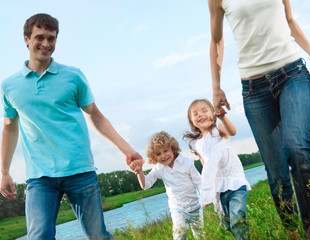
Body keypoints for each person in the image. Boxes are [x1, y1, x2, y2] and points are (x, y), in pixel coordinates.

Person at [0, 13, 142, 240]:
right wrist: (4, 171)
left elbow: (95, 116)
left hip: (80, 170)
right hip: (40, 176)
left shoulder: (73, 76)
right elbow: (9, 126)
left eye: (52, 38)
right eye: (40, 37)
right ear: (26, 39)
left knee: (98, 235)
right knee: (38, 236)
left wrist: (126, 149)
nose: (46, 44)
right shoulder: (9, 86)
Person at [208, 0, 310, 239]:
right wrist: (216, 86)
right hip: (255, 90)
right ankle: (293, 231)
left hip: (292, 74)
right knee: (276, 172)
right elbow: (216, 40)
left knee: (298, 148)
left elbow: (289, 20)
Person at [183, 99, 251, 240]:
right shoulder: (196, 143)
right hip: (219, 188)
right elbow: (206, 166)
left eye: (204, 111)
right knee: (228, 224)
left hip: (235, 181)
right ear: (191, 120)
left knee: (237, 218)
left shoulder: (218, 129)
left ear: (213, 114)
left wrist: (223, 117)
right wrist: (207, 191)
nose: (200, 115)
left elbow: (232, 132)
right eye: (195, 113)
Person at [132, 131, 204, 240]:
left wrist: (205, 197)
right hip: (177, 208)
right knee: (180, 232)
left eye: (165, 150)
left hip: (195, 206)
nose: (163, 156)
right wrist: (140, 172)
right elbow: (145, 185)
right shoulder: (158, 168)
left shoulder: (187, 163)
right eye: (158, 154)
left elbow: (199, 182)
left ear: (173, 148)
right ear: (154, 157)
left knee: (200, 236)